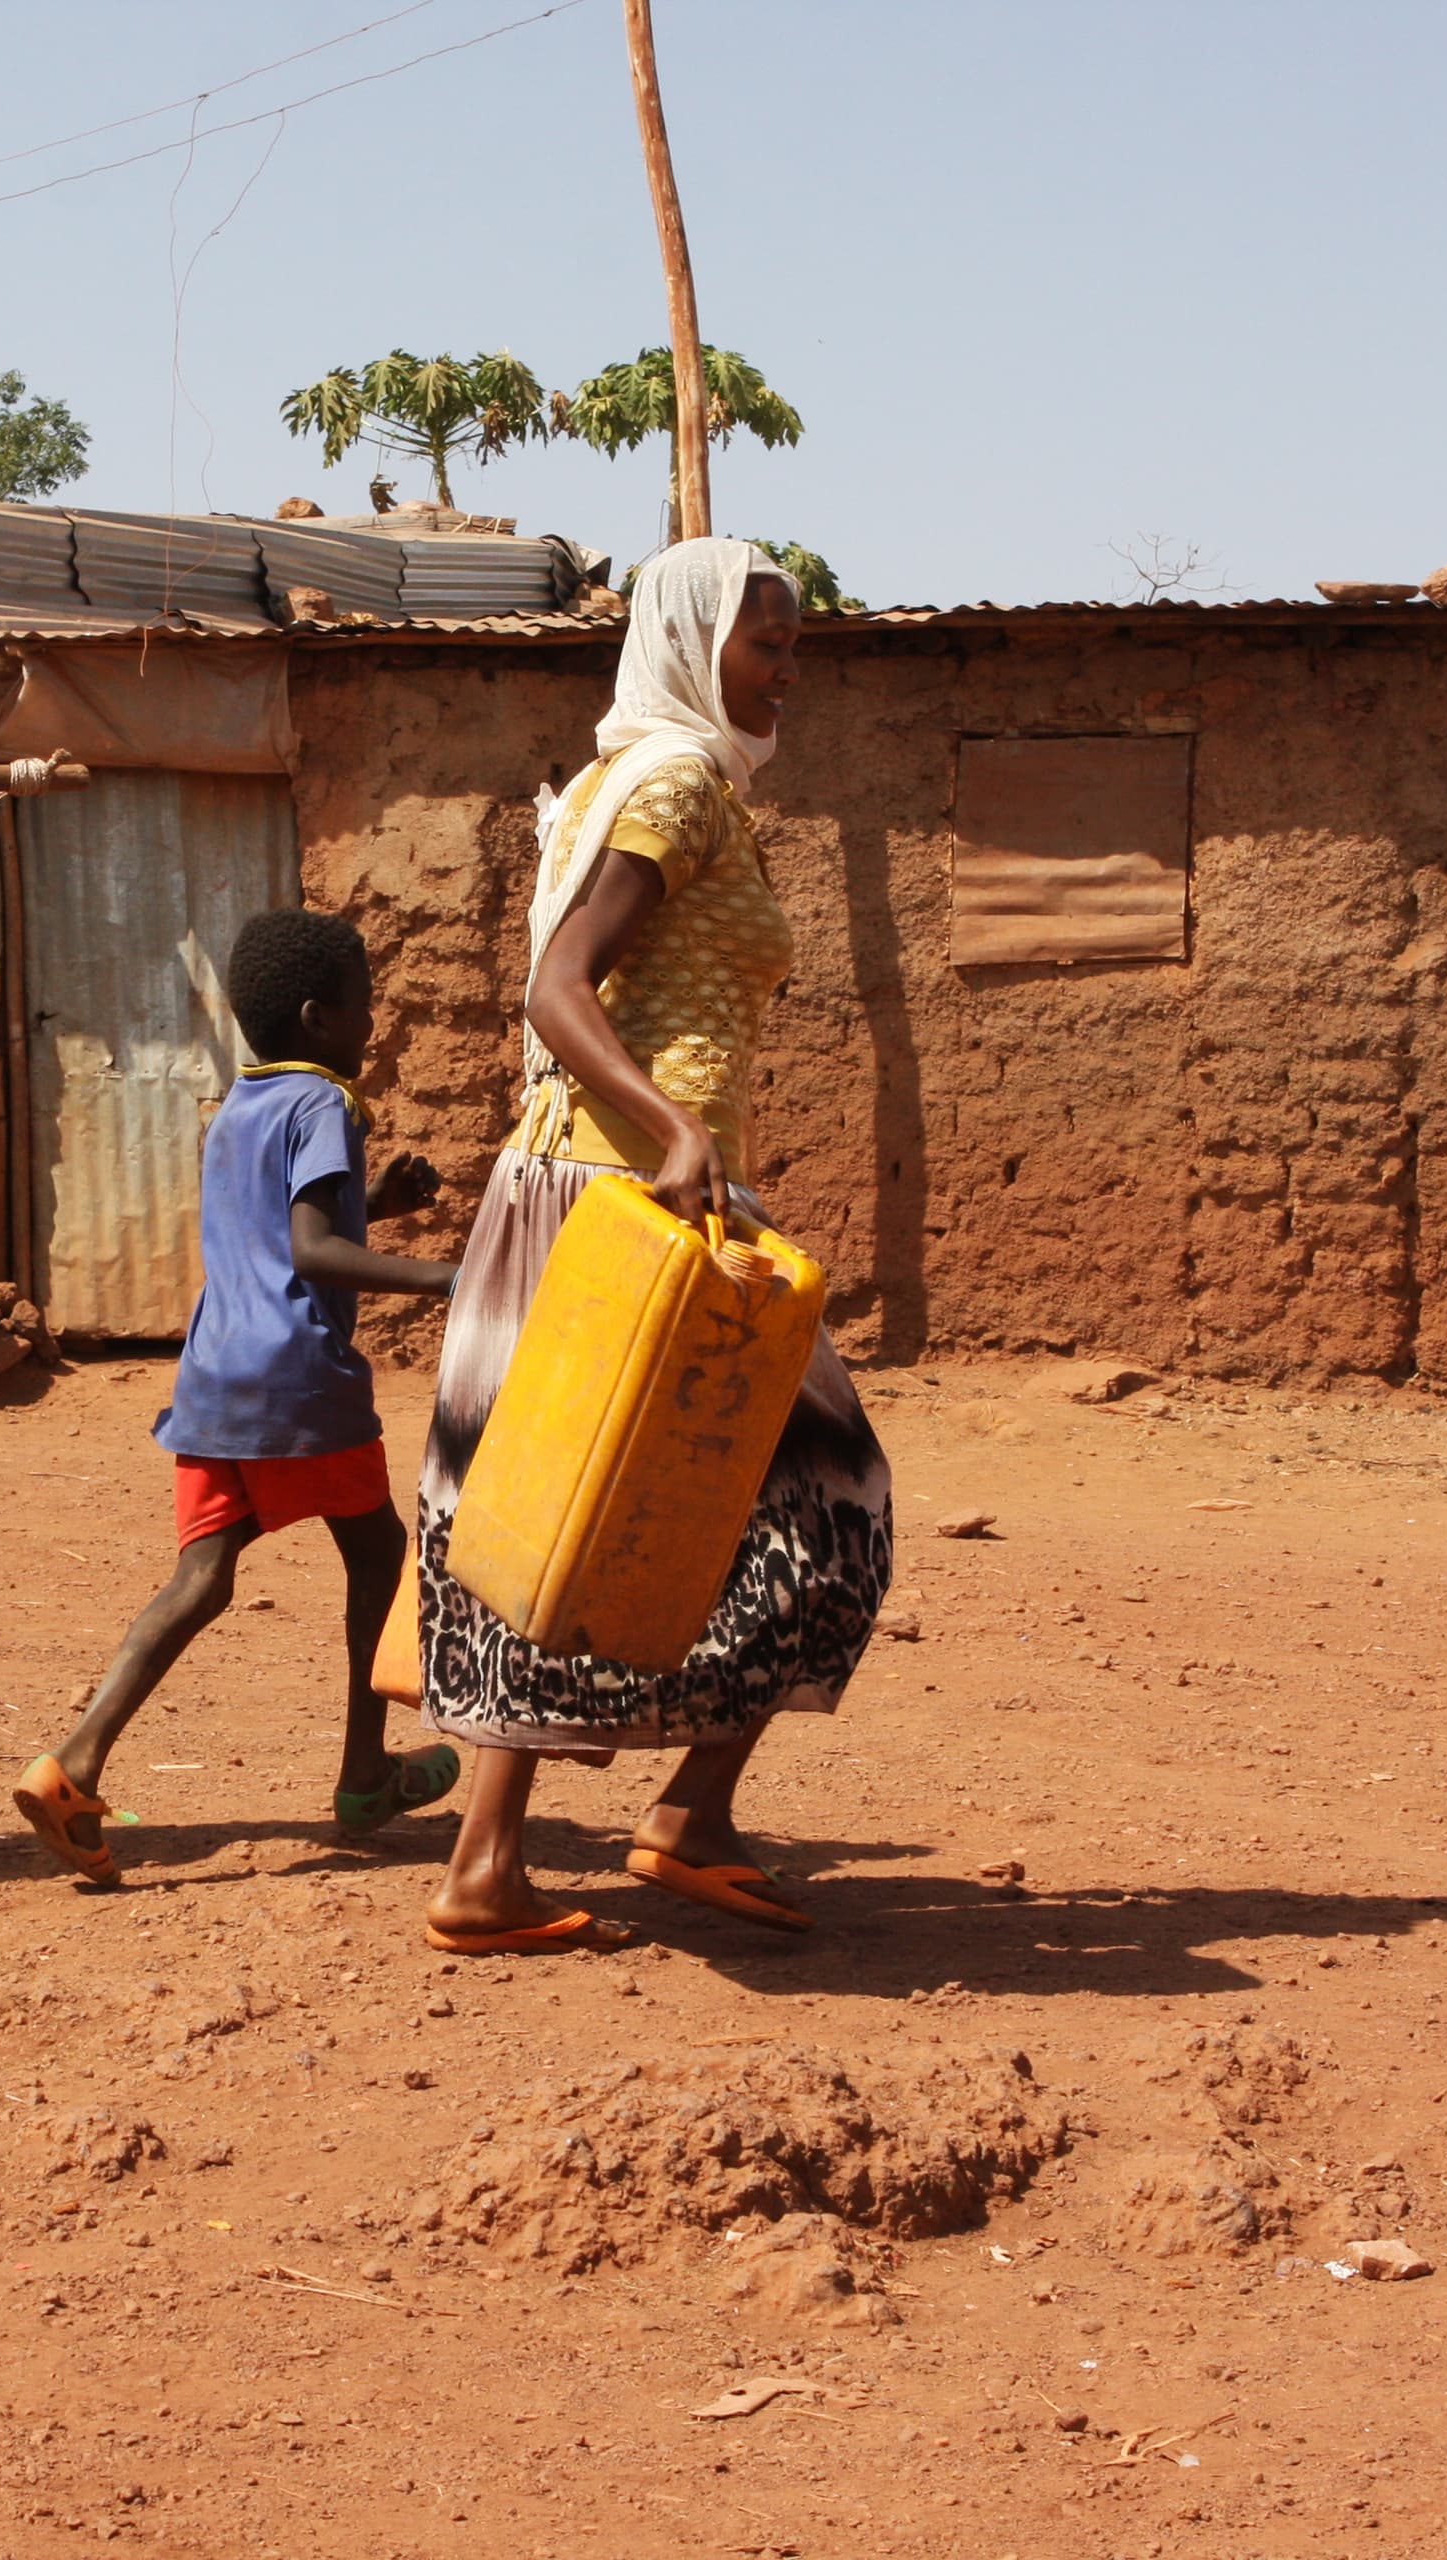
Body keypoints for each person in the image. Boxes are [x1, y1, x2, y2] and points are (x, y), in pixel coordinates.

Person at [412, 538, 896, 1955]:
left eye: (798, 645)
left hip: (599, 1191)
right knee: (833, 1493)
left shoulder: (649, 777)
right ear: (695, 643)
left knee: (561, 1516)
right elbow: (558, 988)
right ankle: (655, 1821)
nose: (788, 669)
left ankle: (541, 1852)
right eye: (767, 644)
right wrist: (674, 1134)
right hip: (625, 1204)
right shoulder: (674, 784)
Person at [14, 909, 459, 1887]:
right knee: (382, 1551)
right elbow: (308, 1250)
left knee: (200, 1579)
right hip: (298, 1377)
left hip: (215, 1379)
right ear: (318, 1016)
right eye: (363, 1004)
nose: (374, 1021)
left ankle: (71, 1765)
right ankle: (360, 1776)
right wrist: (443, 1276)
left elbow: (275, 1227)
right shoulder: (326, 1106)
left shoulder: (236, 1111)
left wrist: (373, 1202)